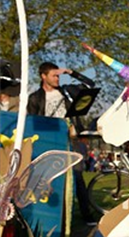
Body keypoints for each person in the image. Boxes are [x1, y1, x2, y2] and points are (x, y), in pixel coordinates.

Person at [27, 62, 98, 226]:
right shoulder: (35, 98)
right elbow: (32, 122)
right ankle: (45, 215)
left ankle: (87, 216)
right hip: (47, 140)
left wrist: (71, 72)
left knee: (77, 176)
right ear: (43, 76)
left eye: (58, 75)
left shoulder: (66, 91)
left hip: (68, 139)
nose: (57, 78)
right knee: (44, 178)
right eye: (54, 75)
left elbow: (90, 85)